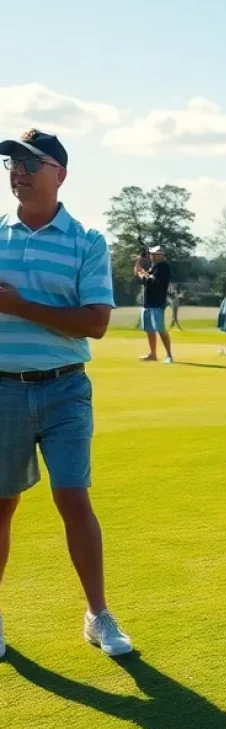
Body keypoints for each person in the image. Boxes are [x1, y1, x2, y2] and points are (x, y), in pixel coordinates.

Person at [0, 129, 132, 659]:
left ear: (60, 174)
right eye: (12, 163)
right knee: (1, 506)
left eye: (33, 163)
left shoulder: (87, 241)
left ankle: (98, 615)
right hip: (3, 390)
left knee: (73, 499)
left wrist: (17, 305)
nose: (19, 172)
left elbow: (96, 322)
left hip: (65, 389)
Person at [136, 245, 173, 364]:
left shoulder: (163, 267)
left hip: (157, 303)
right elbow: (144, 278)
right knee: (149, 329)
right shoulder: (153, 267)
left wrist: (142, 274)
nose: (152, 256)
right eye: (151, 254)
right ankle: (153, 354)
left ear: (161, 255)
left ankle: (169, 355)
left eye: (155, 254)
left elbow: (151, 281)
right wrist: (140, 268)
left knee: (160, 329)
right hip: (148, 303)